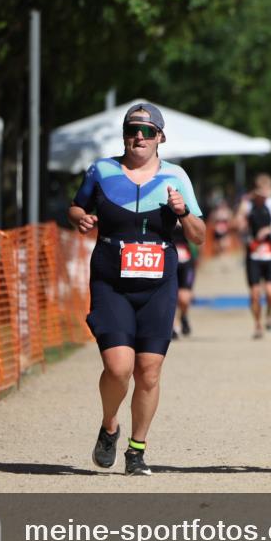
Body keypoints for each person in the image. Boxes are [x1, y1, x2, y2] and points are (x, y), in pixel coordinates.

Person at [67, 103, 206, 476]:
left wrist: (183, 212)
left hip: (158, 285)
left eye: (147, 131)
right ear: (124, 135)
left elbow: (199, 236)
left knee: (149, 370)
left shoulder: (176, 176)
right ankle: (109, 425)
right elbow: (76, 208)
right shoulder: (101, 170)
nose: (139, 137)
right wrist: (82, 218)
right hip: (111, 281)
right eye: (132, 130)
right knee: (118, 367)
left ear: (160, 137)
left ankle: (137, 450)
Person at [234, 174, 271, 339]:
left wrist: (269, 230)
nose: (264, 197)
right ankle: (258, 325)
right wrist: (241, 223)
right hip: (253, 253)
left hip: (269, 253)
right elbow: (236, 223)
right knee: (254, 293)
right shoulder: (247, 204)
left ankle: (270, 312)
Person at [172, 218, 198, 339]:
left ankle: (183, 316)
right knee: (172, 297)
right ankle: (174, 327)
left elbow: (198, 237)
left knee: (184, 298)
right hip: (170, 261)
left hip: (187, 262)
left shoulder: (187, 214)